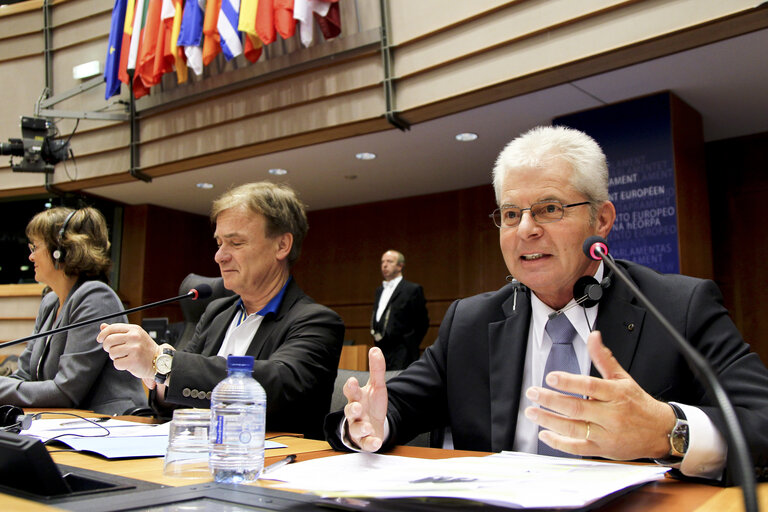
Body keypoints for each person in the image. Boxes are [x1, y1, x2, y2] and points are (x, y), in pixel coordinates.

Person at [326, 125, 768, 484]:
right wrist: (371, 423)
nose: (525, 230)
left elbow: (762, 420)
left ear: (602, 219)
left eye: (550, 208)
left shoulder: (677, 308)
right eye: (511, 213)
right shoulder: (472, 321)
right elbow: (397, 407)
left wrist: (668, 432)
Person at [98, 182, 344, 439]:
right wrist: (155, 374)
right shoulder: (217, 313)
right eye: (219, 243)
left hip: (268, 467)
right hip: (193, 456)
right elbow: (177, 394)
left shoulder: (317, 322)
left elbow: (277, 387)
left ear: (282, 245)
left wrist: (165, 365)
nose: (219, 256)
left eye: (235, 243)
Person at [0, 207, 146, 415]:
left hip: (112, 426)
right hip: (67, 423)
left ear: (60, 250)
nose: (31, 257)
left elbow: (66, 391)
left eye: (35, 247)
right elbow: (24, 375)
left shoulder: (95, 297)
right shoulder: (50, 302)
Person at [370, 250, 429, 370]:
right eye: (382, 262)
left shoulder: (412, 289)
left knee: (399, 386)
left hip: (403, 351)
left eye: (390, 261)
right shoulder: (379, 290)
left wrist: (410, 344)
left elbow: (422, 322)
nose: (384, 265)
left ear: (400, 265)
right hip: (381, 349)